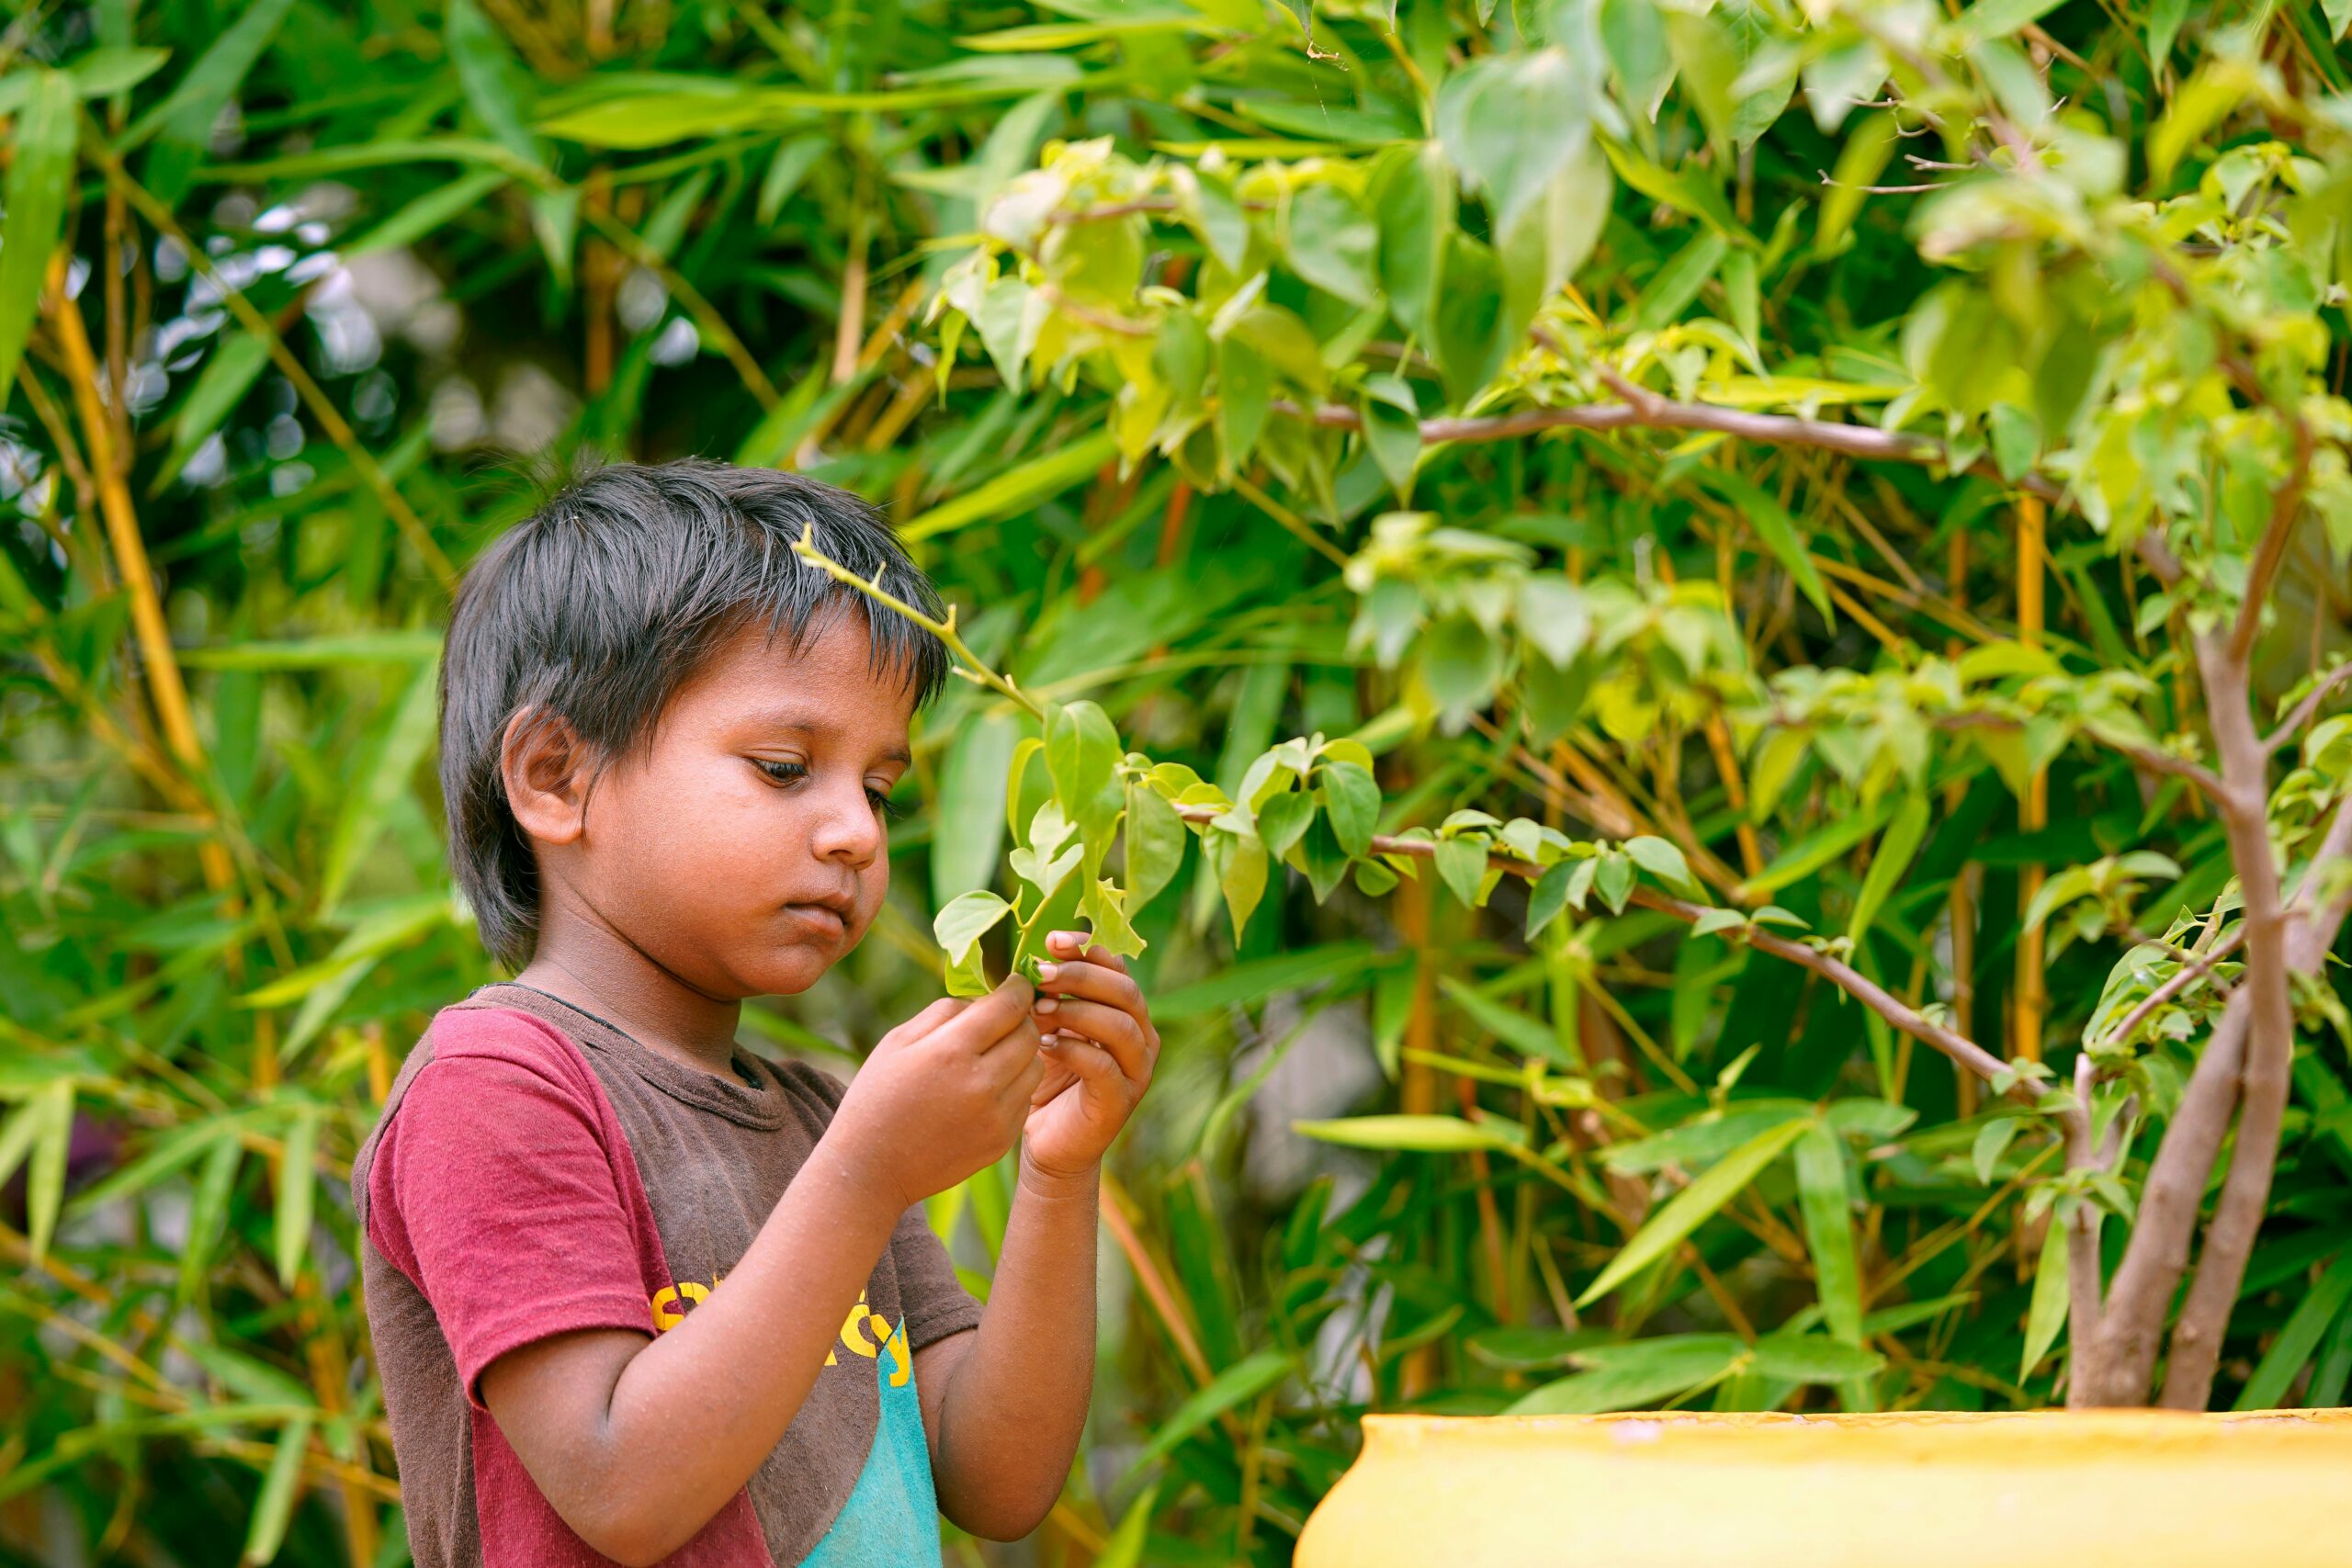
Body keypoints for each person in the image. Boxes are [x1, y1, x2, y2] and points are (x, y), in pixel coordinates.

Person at [352, 460, 1159, 1567]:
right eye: (786, 767)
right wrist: (868, 1173)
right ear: (554, 776)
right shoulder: (494, 1087)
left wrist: (1058, 1174)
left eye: (877, 788)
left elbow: (994, 1476)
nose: (856, 835)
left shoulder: (820, 1119)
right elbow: (619, 1485)